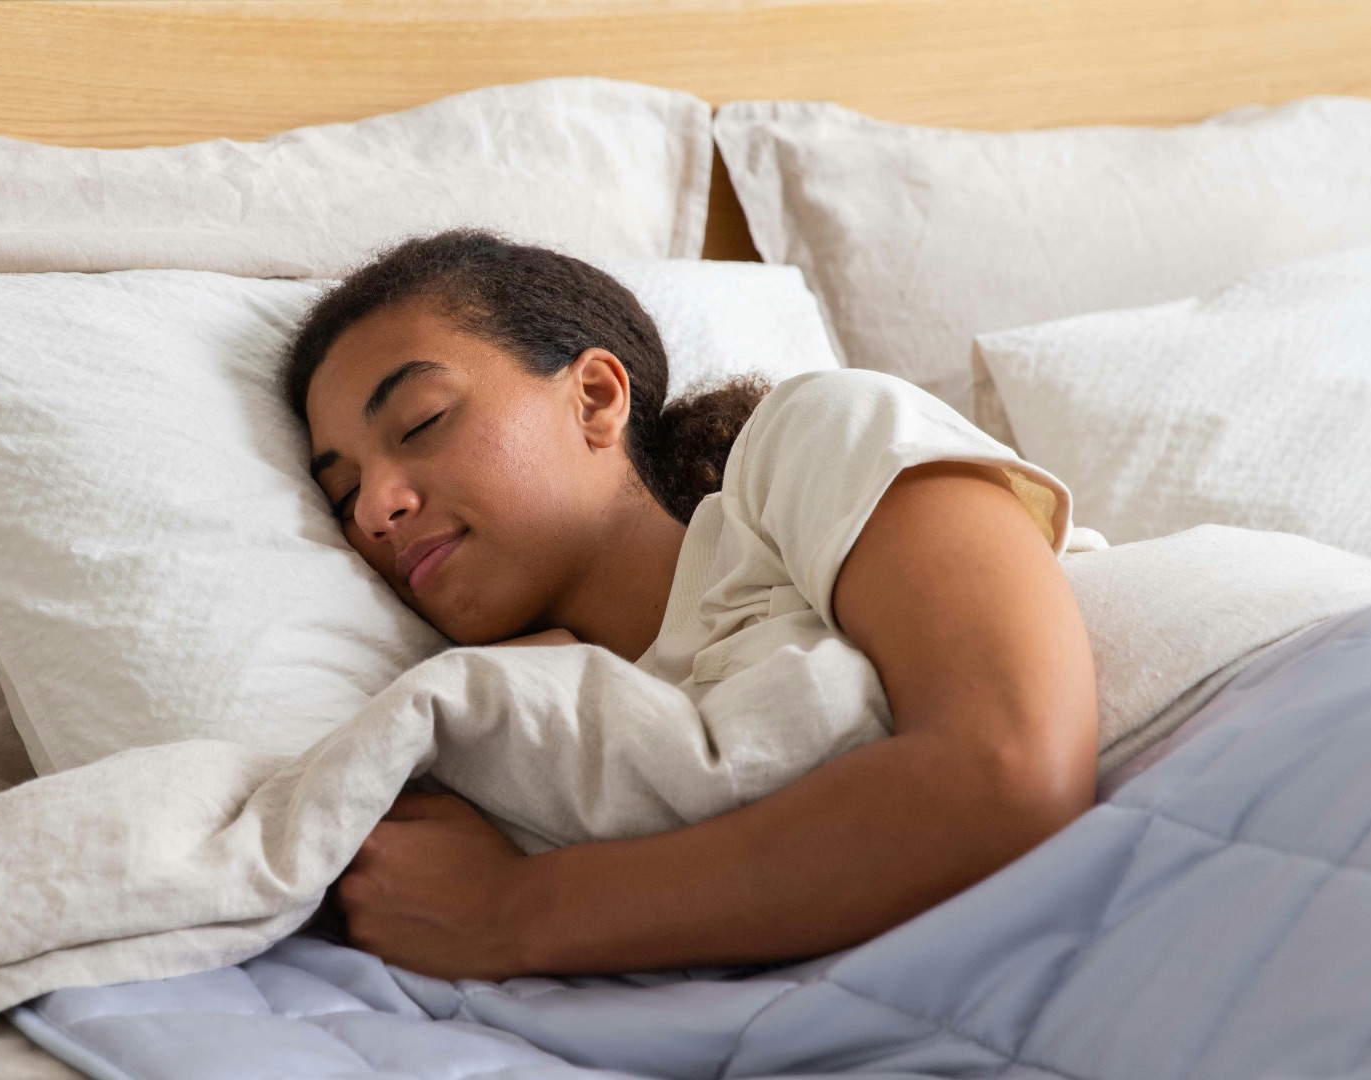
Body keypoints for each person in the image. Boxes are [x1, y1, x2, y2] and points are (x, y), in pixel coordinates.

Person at [283, 229, 1099, 982]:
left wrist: (518, 909)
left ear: (597, 398)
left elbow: (1010, 767)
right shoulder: (502, 730)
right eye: (343, 491)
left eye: (421, 420)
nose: (374, 509)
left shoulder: (813, 440)